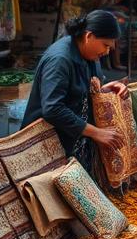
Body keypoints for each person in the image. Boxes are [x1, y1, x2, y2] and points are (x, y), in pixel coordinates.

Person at [21, 11, 128, 172]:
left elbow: (81, 90)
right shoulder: (59, 60)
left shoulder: (89, 55)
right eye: (105, 45)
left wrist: (106, 89)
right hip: (44, 147)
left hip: (69, 143)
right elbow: (52, 109)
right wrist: (96, 132)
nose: (107, 52)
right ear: (88, 36)